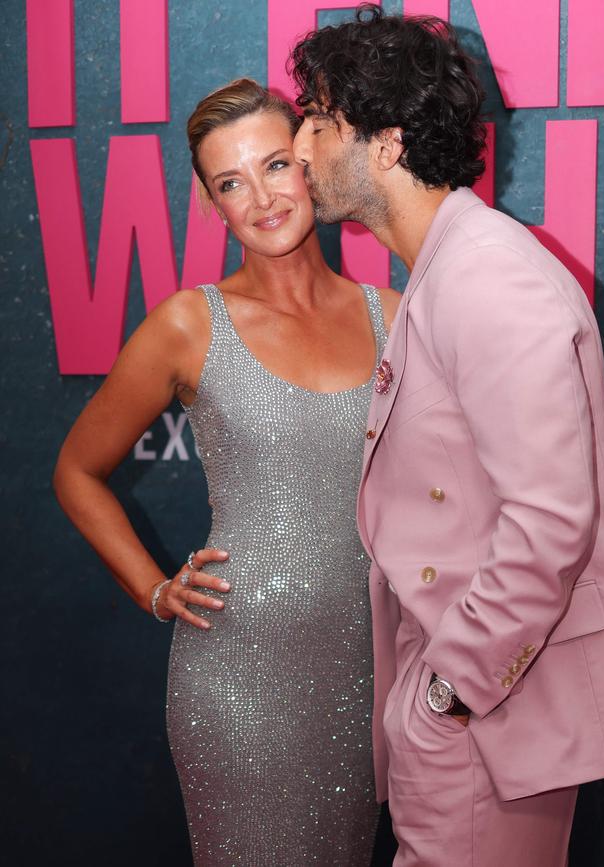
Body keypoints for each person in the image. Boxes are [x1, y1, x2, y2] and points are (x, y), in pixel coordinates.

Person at [290, 6, 604, 866]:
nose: (300, 148)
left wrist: (447, 695)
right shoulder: (450, 269)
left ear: (390, 143)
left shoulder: (485, 276)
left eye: (322, 122)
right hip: (477, 716)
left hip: (488, 721)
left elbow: (551, 522)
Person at [53, 77, 401, 866]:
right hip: (239, 684)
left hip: (369, 679)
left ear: (310, 163)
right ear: (213, 205)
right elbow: (77, 469)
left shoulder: (393, 314)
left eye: (276, 165)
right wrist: (154, 586)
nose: (263, 198)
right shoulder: (188, 323)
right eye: (231, 183)